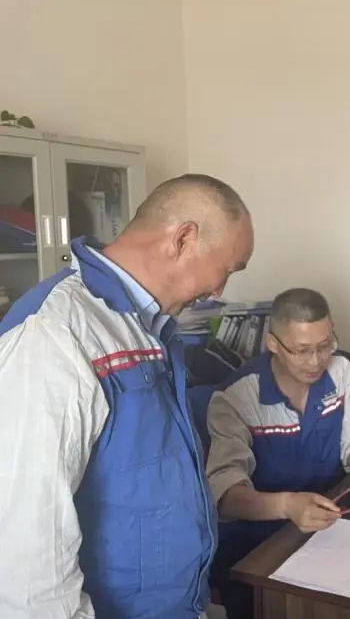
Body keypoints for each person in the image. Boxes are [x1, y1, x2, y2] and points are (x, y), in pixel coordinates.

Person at [0, 174, 254, 618]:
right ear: (183, 239)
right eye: (228, 269)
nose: (219, 290)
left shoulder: (151, 329)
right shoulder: (53, 335)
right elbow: (28, 562)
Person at [206, 288, 350, 619]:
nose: (316, 361)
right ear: (273, 343)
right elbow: (225, 495)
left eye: (325, 345)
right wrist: (287, 506)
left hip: (327, 528)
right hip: (256, 548)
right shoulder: (236, 397)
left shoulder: (339, 370)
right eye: (302, 350)